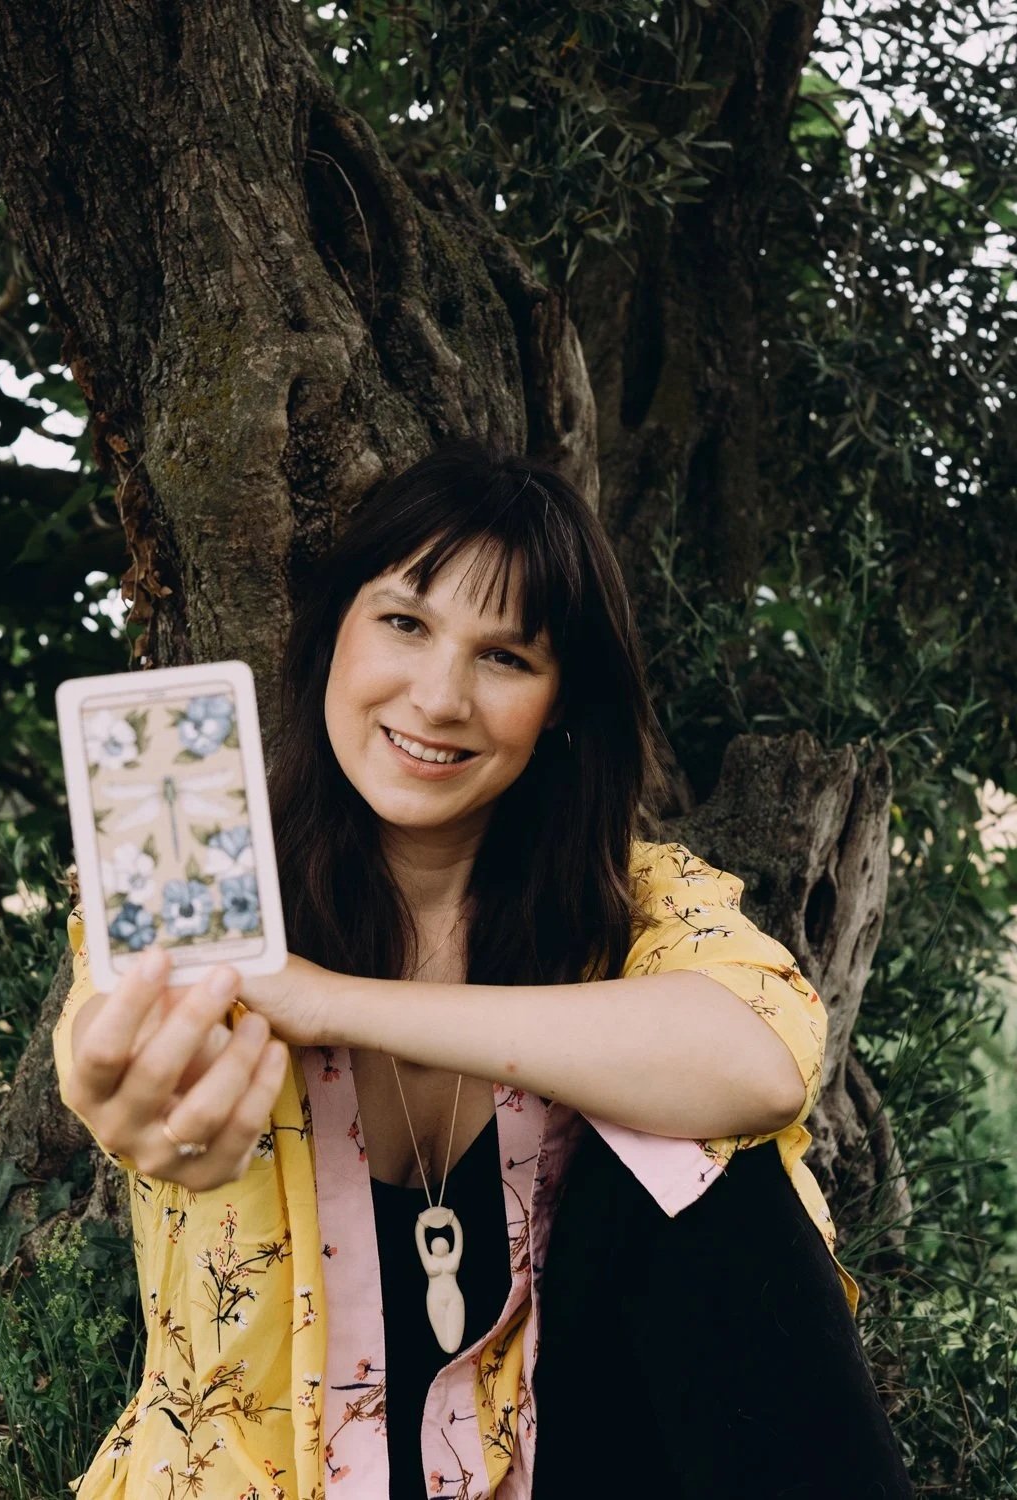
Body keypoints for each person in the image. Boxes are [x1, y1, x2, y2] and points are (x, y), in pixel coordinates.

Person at [53, 438, 914, 1499]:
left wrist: (333, 1002)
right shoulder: (207, 894)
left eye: (506, 657)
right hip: (265, 1480)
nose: (440, 696)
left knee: (703, 1164)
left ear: (560, 707)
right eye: (405, 624)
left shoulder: (638, 903)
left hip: (554, 1464)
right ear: (333, 637)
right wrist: (134, 1101)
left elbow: (757, 1059)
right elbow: (111, 1037)